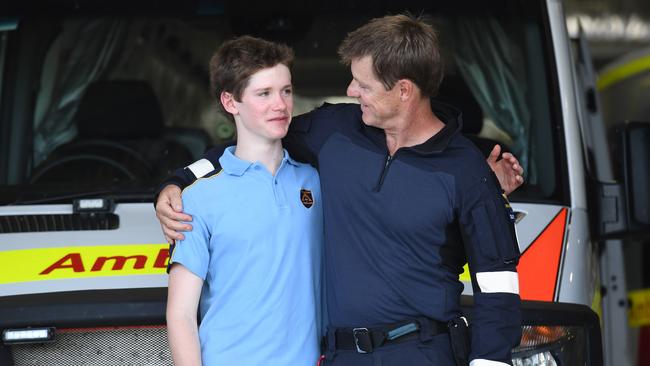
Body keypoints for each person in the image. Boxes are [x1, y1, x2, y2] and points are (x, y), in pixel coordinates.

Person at [159, 15, 523, 366]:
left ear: (404, 90)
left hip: (424, 352)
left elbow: (498, 285)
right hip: (342, 356)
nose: (351, 92)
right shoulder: (333, 133)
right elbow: (256, 137)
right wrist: (178, 181)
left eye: (363, 85)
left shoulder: (467, 170)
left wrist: (489, 361)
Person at [165, 36, 323, 366]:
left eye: (286, 91)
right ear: (230, 102)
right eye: (263, 93)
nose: (280, 104)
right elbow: (180, 315)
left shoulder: (316, 182)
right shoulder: (198, 197)